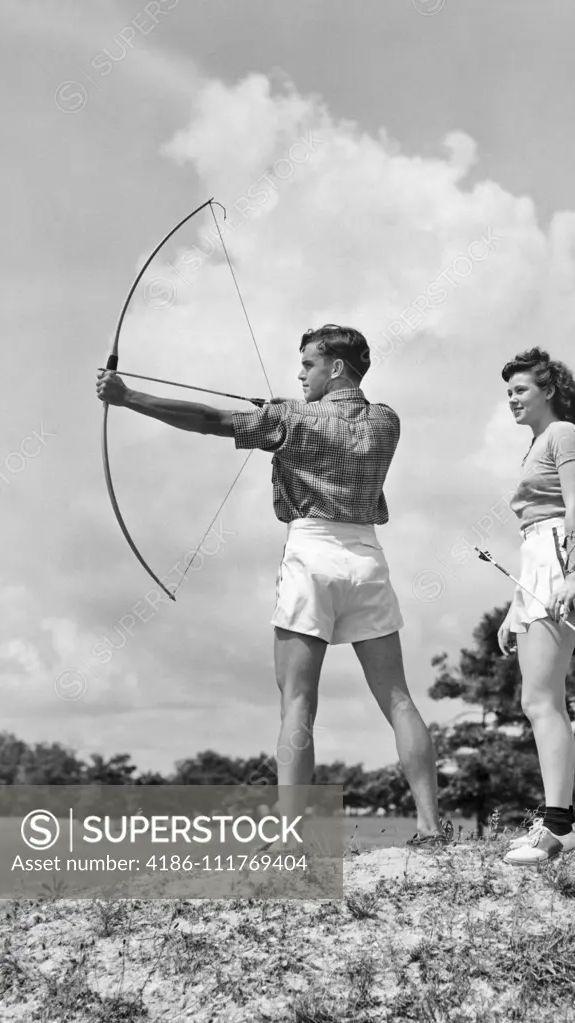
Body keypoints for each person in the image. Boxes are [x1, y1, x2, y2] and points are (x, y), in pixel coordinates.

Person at [96, 324, 446, 849]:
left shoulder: (288, 417)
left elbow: (210, 420)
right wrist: (285, 413)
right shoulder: (385, 420)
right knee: (397, 698)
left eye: (308, 364)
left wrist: (128, 398)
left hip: (311, 554)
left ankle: (290, 836)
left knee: (298, 702)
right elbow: (331, 426)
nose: (300, 372)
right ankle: (431, 827)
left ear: (336, 368)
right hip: (368, 558)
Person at [495, 347, 575, 866]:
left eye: (521, 390)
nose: (512, 399)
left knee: (544, 699)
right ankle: (553, 818)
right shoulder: (538, 442)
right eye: (509, 392)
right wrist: (515, 604)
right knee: (534, 698)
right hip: (537, 560)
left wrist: (574, 574)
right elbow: (535, 528)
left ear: (549, 391)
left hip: (561, 557)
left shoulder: (564, 435)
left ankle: (559, 826)